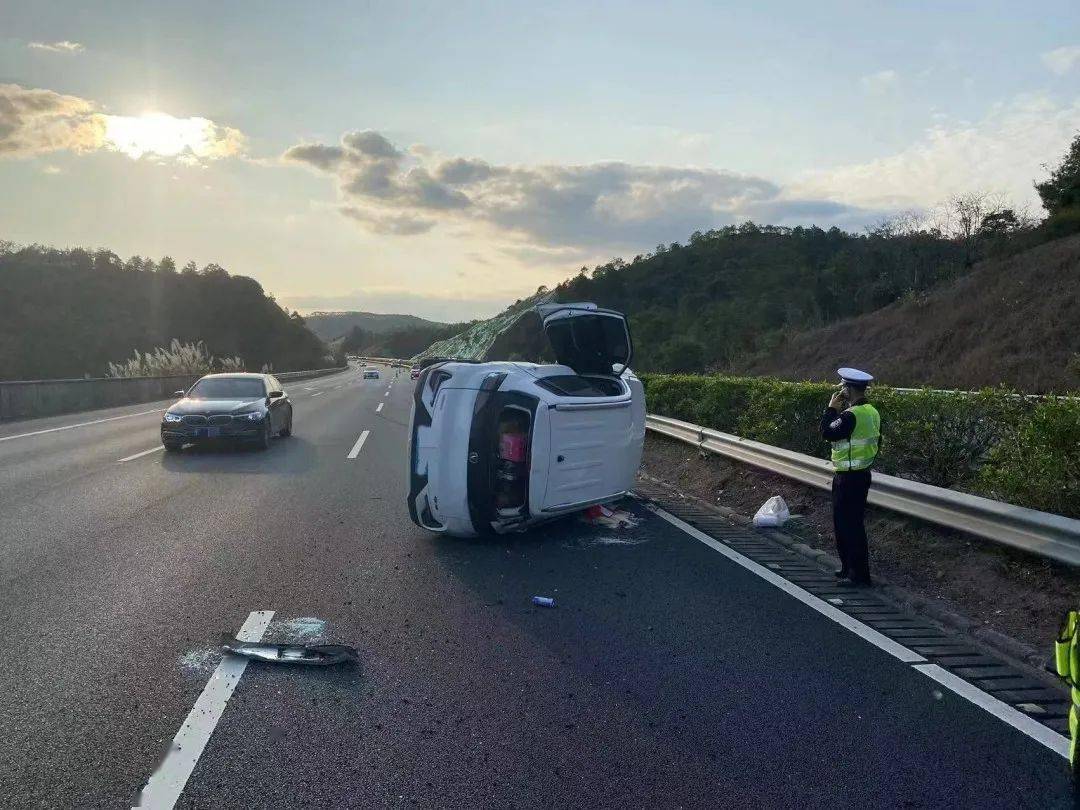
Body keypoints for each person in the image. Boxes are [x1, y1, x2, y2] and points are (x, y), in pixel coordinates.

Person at [820, 367, 880, 587]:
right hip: (860, 474)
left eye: (843, 387)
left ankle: (858, 575)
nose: (841, 391)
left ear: (848, 389)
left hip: (849, 477)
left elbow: (826, 432)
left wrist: (831, 409)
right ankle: (848, 568)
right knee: (848, 523)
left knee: (849, 525)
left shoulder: (850, 415)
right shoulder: (872, 411)